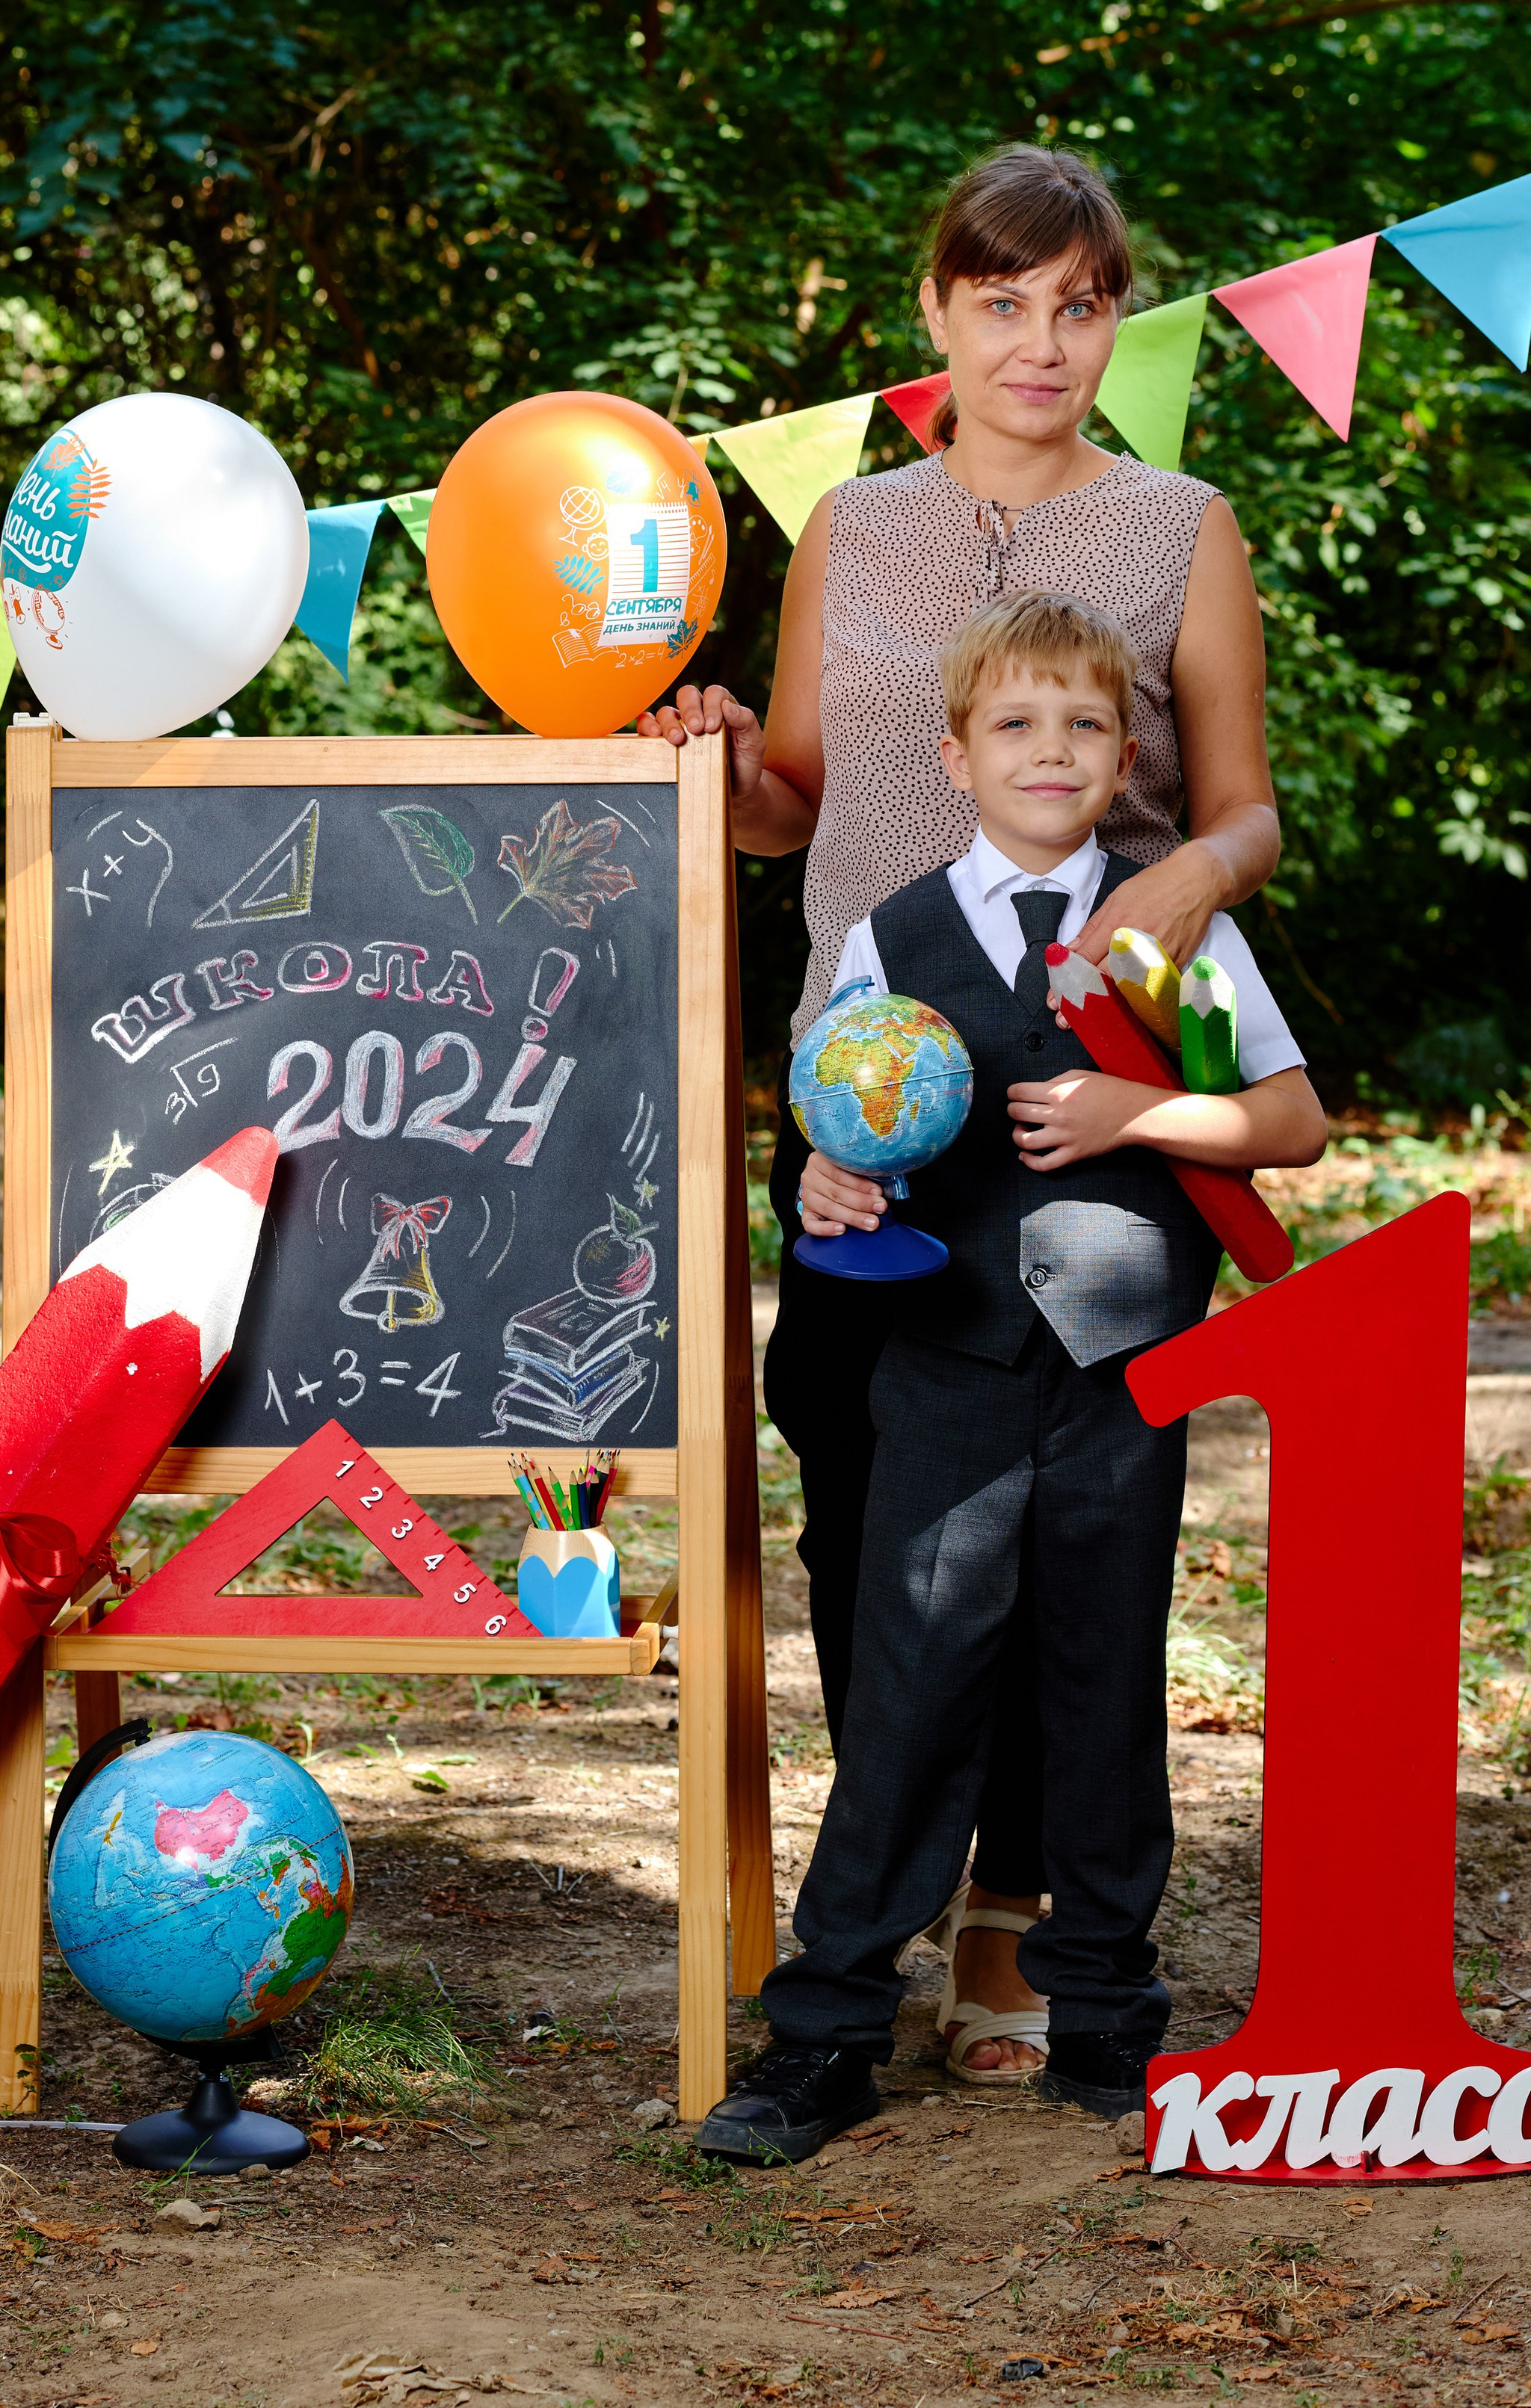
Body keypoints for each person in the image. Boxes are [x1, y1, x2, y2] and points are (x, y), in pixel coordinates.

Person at [640, 143, 1282, 2080]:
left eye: (1079, 301)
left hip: (1090, 1073)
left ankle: (1019, 1911)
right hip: (872, 1076)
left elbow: (1244, 806)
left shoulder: (1183, 523)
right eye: (1001, 301)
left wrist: (1189, 885)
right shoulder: (854, 527)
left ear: (1117, 319)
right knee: (853, 1448)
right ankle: (898, 1868)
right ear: (935, 315)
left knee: (1080, 1484)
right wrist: (724, 761)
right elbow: (808, 808)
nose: (1040, 339)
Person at [694, 591, 1325, 2161]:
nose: (1050, 751)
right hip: (945, 1365)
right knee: (909, 1686)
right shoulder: (885, 936)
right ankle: (828, 2027)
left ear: (1123, 758)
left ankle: (1103, 2017)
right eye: (1015, 725)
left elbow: (1290, 1122)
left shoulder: (1165, 932)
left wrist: (1136, 1113)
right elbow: (837, 1148)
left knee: (1101, 1681)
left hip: (1119, 1369)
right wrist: (827, 1193)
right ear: (954, 752)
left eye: (1083, 726)